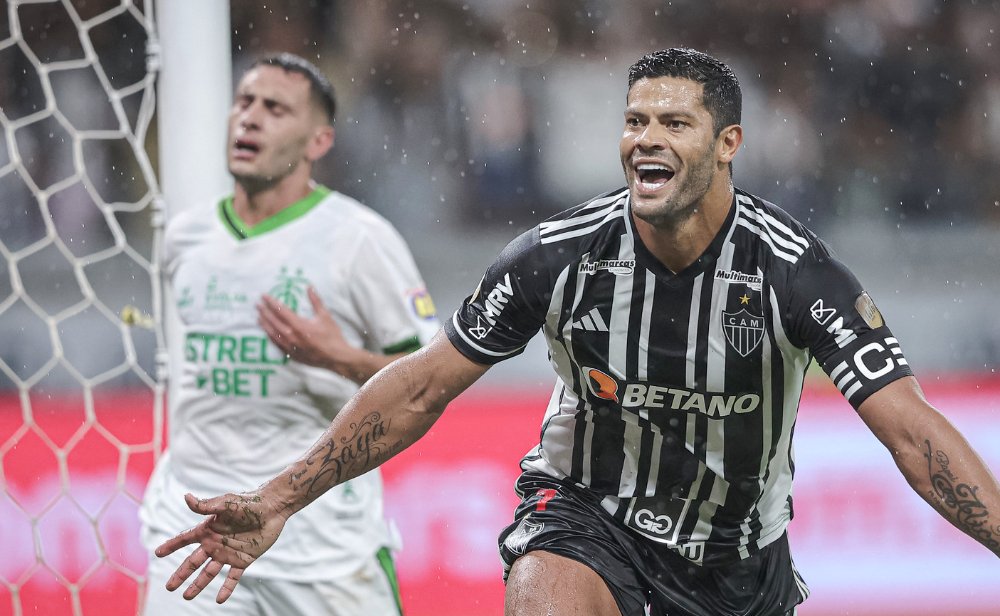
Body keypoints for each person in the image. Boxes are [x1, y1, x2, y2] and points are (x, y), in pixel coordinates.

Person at [153, 48, 1000, 616]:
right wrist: (278, 499)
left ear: (729, 144)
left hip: (737, 557)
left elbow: (912, 432)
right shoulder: (557, 256)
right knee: (546, 585)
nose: (646, 141)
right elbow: (420, 387)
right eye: (635, 122)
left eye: (674, 124)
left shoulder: (793, 273)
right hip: (586, 514)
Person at [139, 52, 439, 615]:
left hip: (324, 546)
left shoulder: (359, 239)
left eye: (275, 109)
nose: (250, 118)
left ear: (318, 141)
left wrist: (337, 357)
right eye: (244, 102)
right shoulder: (186, 237)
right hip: (195, 531)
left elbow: (431, 379)